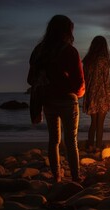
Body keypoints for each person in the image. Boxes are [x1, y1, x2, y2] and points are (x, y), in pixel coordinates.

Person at [28, 15, 85, 183]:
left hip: (47, 100)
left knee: (53, 140)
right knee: (71, 140)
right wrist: (77, 92)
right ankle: (75, 176)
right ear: (67, 31)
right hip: (67, 100)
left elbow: (31, 79)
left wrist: (47, 82)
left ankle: (57, 176)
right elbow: (79, 82)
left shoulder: (39, 51)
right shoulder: (69, 51)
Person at [82, 36, 110, 152]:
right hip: (102, 94)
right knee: (100, 123)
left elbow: (85, 79)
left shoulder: (87, 61)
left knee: (93, 122)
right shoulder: (103, 61)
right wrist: (109, 98)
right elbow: (106, 81)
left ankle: (90, 144)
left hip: (91, 94)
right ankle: (98, 146)